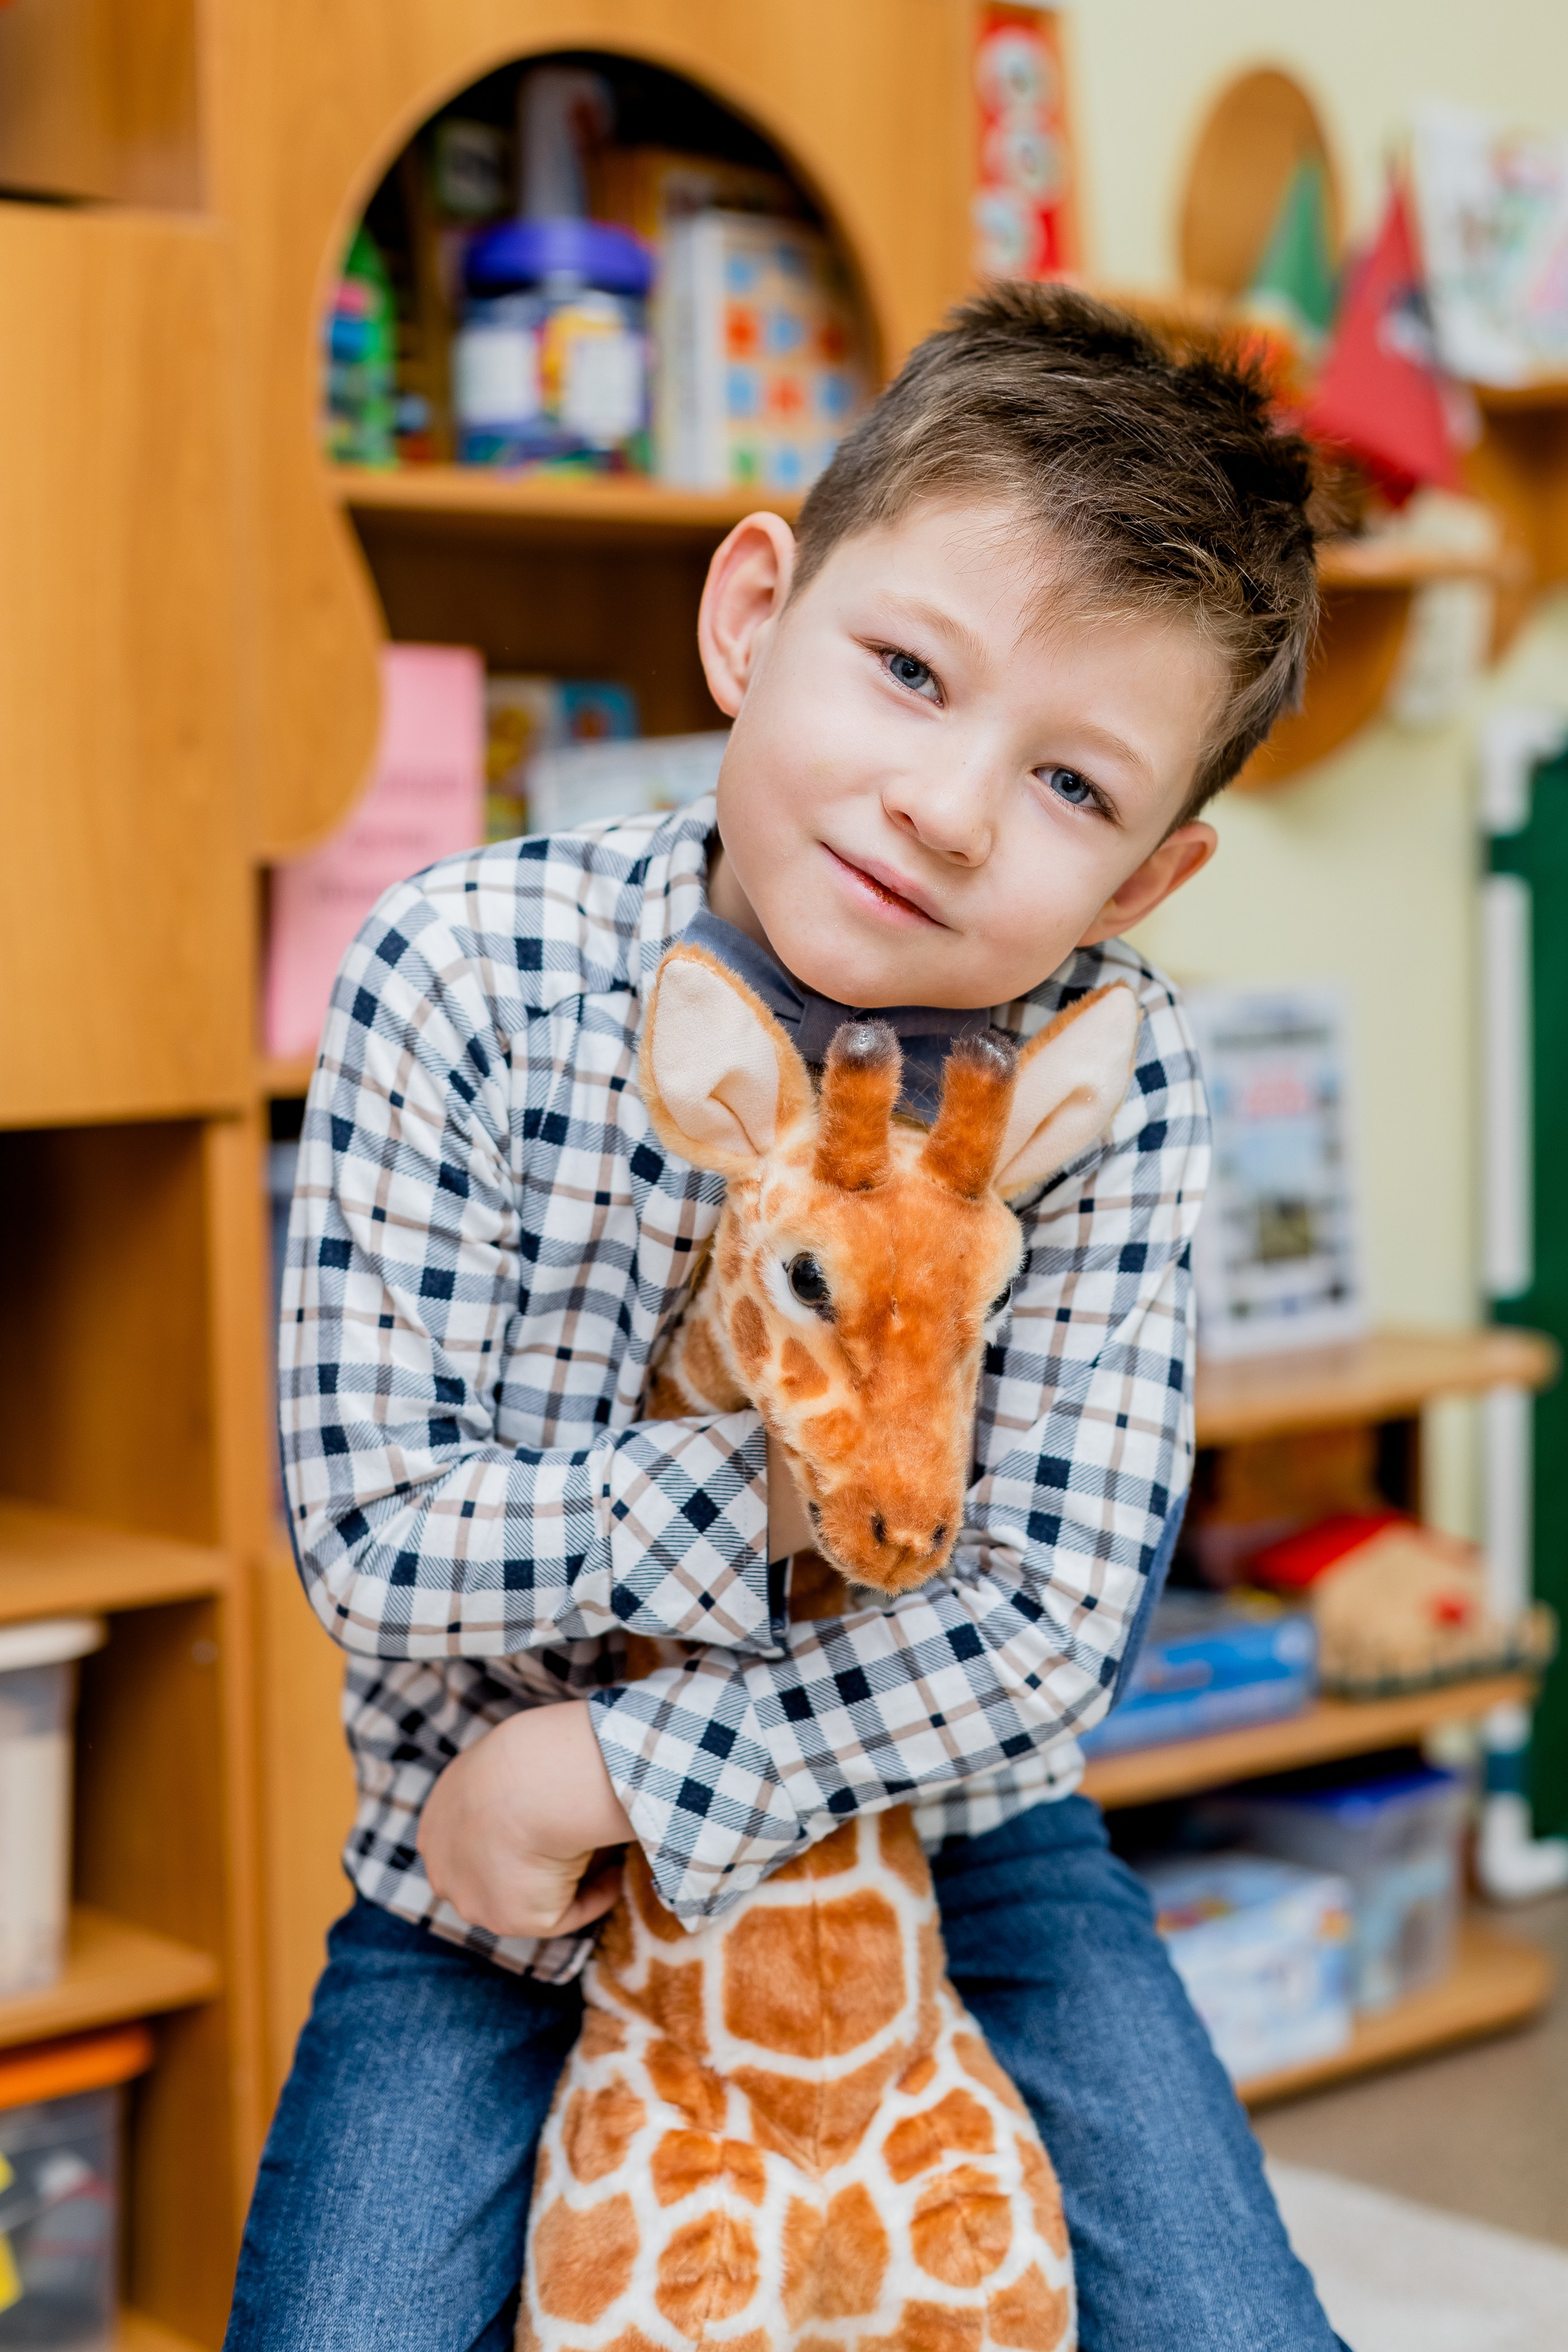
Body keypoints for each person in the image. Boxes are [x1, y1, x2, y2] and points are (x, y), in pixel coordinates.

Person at [228, 286, 1343, 2350]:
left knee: (1233, 2321)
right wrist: (794, 1495)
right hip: (485, 1878)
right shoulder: (461, 966)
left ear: (1144, 884)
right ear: (756, 617)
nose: (946, 805)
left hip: (948, 1836)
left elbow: (1045, 1628)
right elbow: (378, 1539)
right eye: (907, 670)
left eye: (1074, 787)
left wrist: (623, 1760)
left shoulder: (1112, 1063)